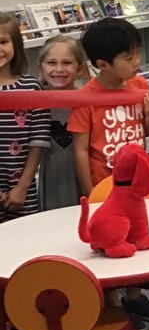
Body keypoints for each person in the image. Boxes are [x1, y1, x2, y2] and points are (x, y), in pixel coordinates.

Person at [69, 18, 149, 197]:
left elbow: (145, 132)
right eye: (129, 58)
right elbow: (81, 150)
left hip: (138, 179)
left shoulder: (140, 85)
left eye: (138, 53)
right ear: (102, 65)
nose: (137, 61)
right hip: (104, 185)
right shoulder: (85, 99)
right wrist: (90, 192)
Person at [0, 13, 50, 221]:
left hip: (21, 190)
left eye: (3, 41)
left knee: (23, 240)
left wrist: (22, 186)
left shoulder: (31, 87)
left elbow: (38, 140)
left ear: (16, 44)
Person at [37, 34, 88, 211]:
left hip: (81, 172)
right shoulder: (34, 102)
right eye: (51, 63)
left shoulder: (87, 101)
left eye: (67, 63)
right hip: (51, 172)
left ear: (80, 69)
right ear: (41, 67)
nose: (59, 69)